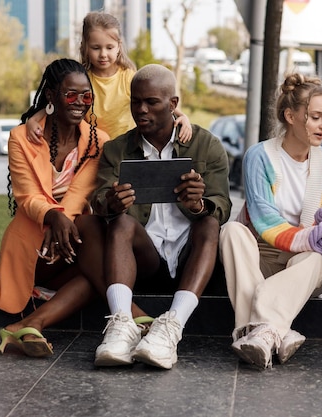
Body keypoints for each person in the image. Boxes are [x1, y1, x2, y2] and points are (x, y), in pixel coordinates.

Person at [75, 64, 231, 369]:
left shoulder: (206, 145)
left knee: (210, 224)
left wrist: (199, 205)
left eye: (151, 102)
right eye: (135, 101)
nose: (141, 110)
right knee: (120, 223)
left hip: (190, 256)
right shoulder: (116, 149)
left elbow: (222, 205)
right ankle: (121, 326)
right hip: (146, 257)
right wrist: (112, 203)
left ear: (173, 104)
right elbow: (99, 200)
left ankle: (172, 327)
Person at [219, 74, 322, 369]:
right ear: (290, 115)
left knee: (315, 260)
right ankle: (270, 331)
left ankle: (258, 330)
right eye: (315, 117)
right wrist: (317, 233)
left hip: (302, 266)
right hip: (262, 255)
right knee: (231, 231)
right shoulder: (260, 156)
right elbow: (265, 221)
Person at [0, 58, 109, 357]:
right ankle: (130, 313)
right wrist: (53, 216)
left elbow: (79, 193)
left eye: (86, 96)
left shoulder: (97, 140)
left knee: (92, 259)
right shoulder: (21, 138)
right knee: (97, 269)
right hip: (32, 245)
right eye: (71, 95)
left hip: (71, 241)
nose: (80, 103)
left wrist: (62, 221)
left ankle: (23, 327)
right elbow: (27, 197)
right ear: (51, 96)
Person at [26, 11, 192, 143]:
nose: (103, 54)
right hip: (91, 150)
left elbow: (159, 103)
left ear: (119, 47)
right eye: (96, 48)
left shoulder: (129, 77)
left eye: (109, 47)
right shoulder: (81, 80)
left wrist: (182, 117)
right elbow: (56, 103)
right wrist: (34, 120)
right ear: (84, 47)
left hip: (127, 149)